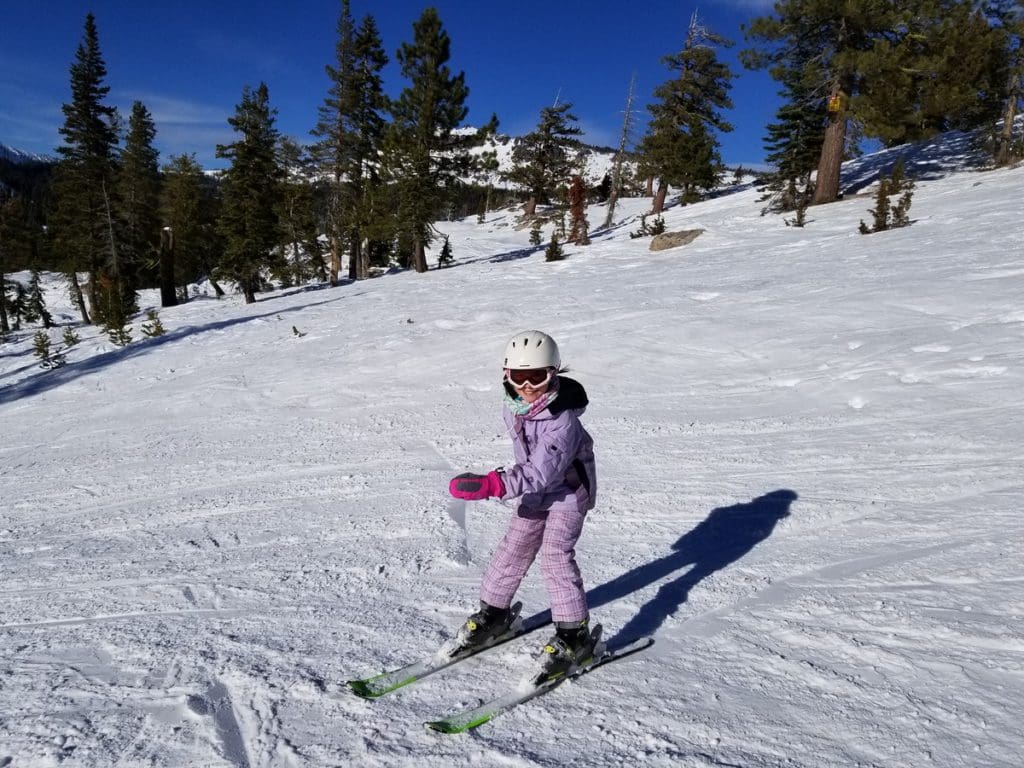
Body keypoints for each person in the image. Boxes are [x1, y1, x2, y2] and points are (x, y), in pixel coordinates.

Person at [448, 329, 598, 679]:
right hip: (536, 491)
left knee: (555, 557)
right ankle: (494, 615)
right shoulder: (515, 406)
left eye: (538, 376)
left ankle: (574, 635)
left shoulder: (563, 422)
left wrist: (493, 483)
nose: (528, 385)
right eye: (520, 376)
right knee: (512, 548)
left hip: (568, 495)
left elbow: (540, 473)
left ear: (554, 373)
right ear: (507, 375)